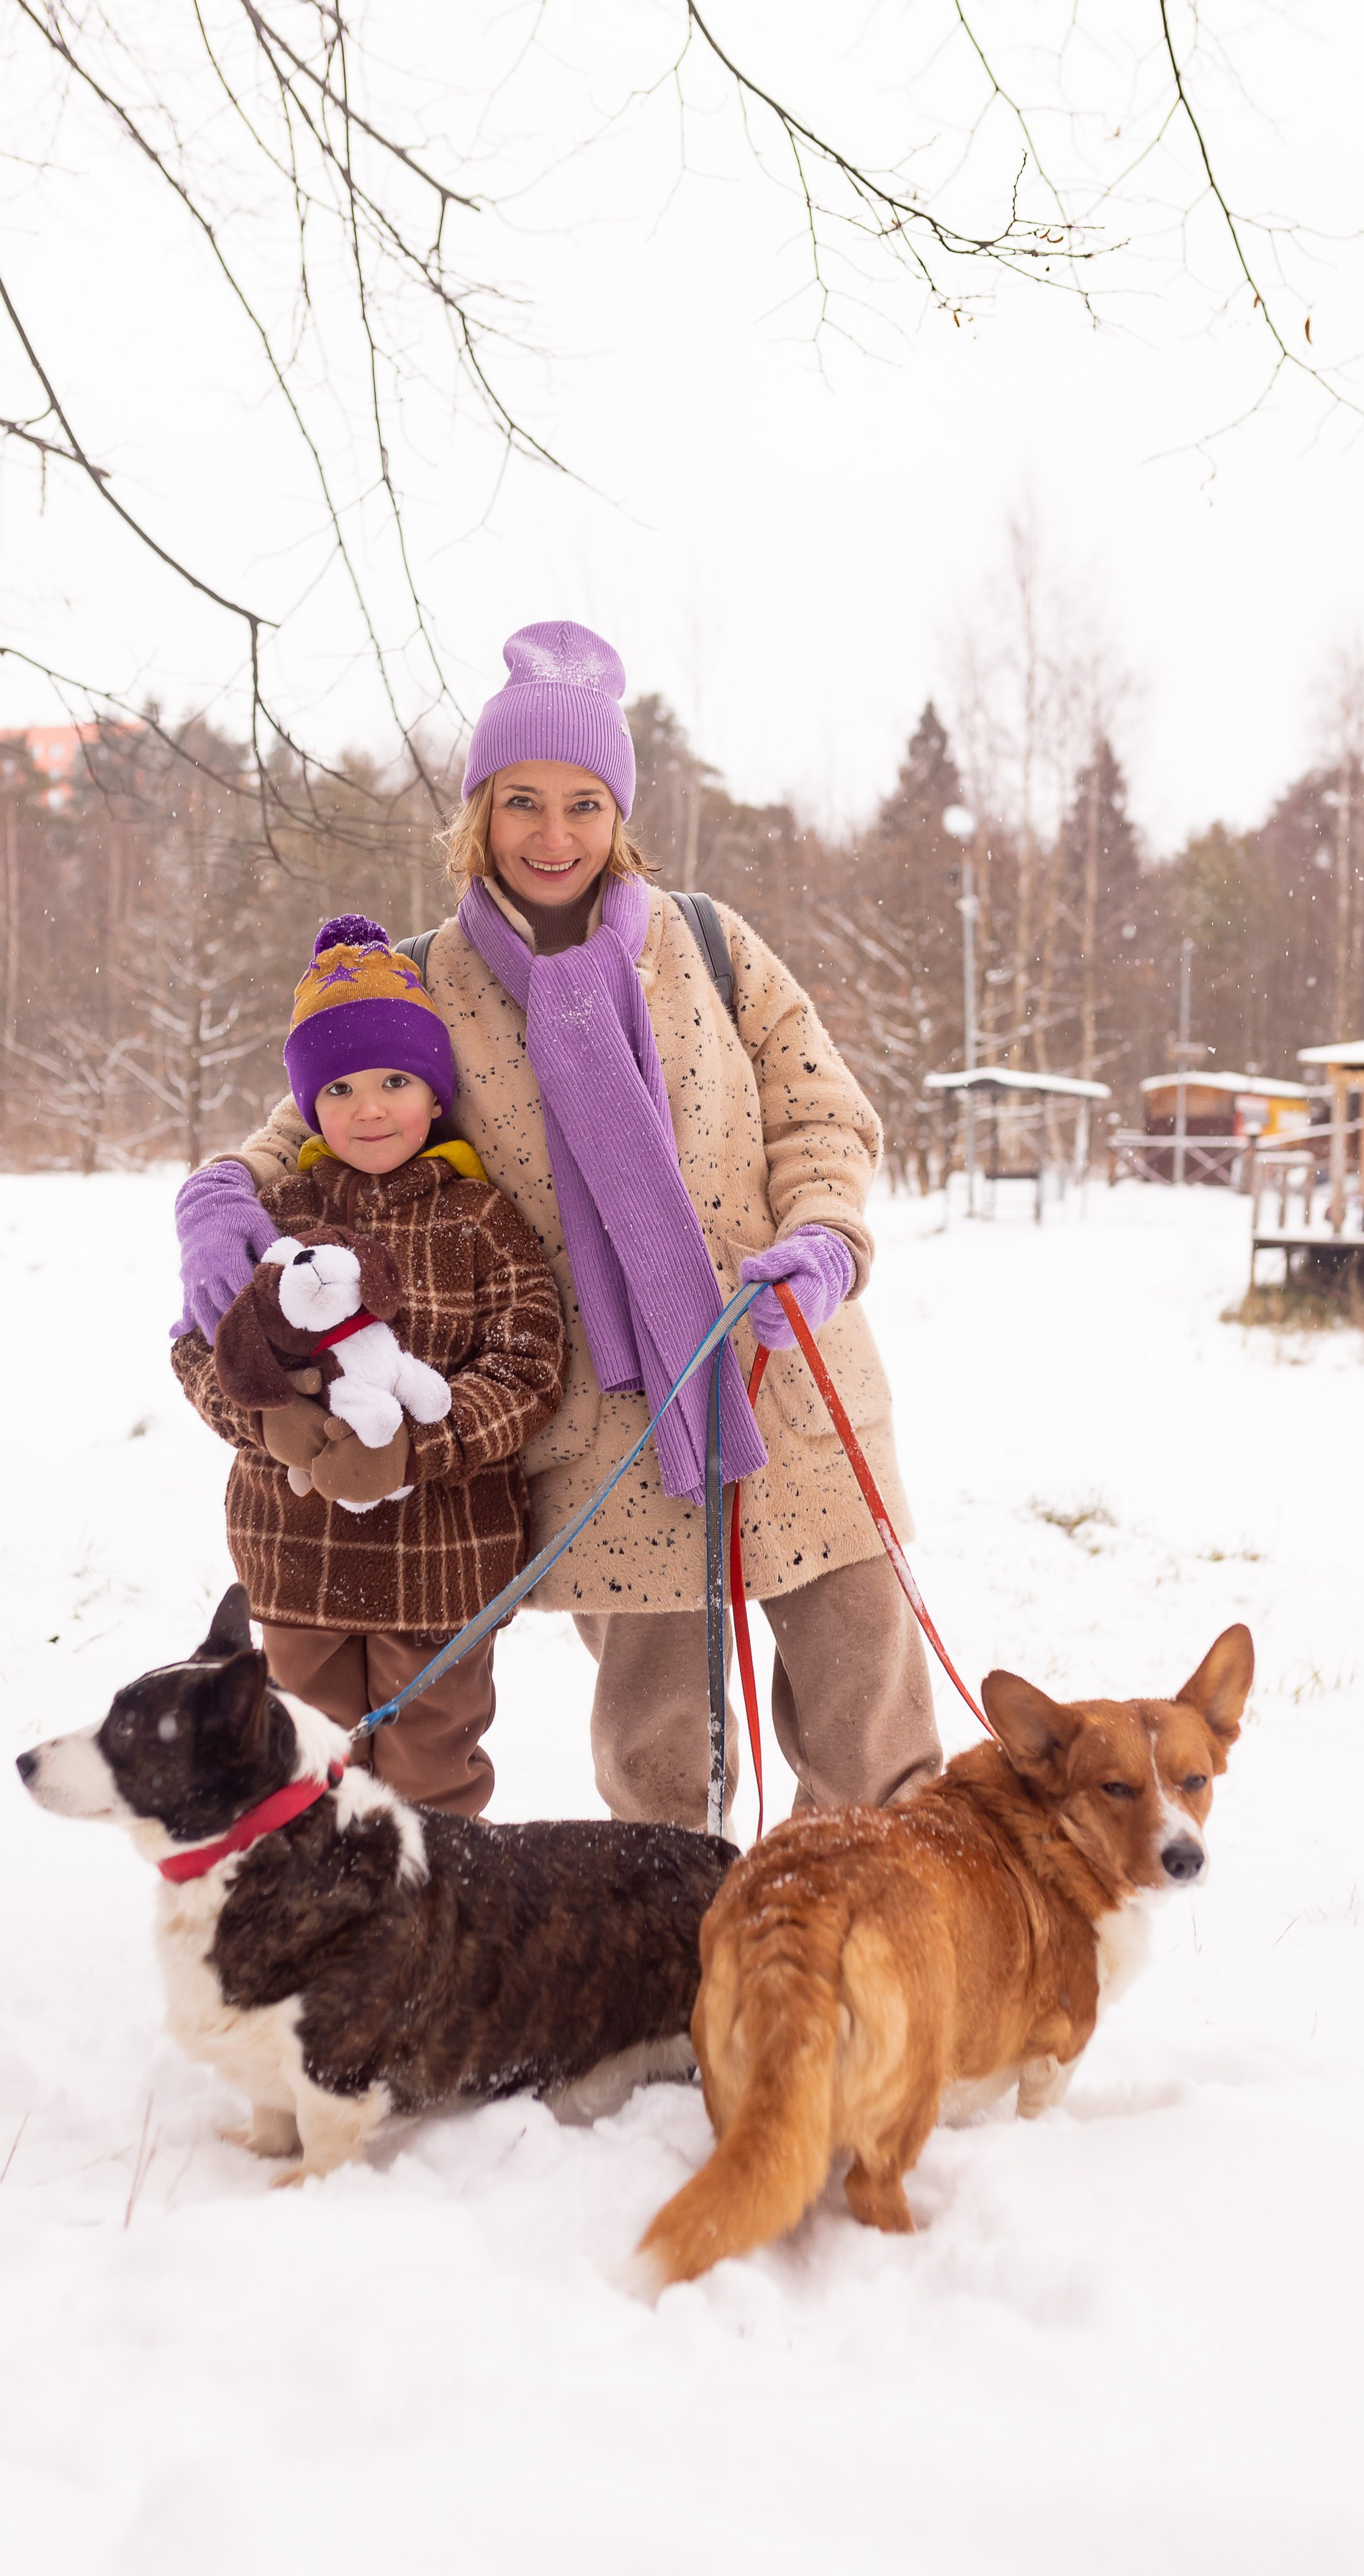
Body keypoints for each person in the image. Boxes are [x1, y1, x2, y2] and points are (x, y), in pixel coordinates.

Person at [173, 622, 941, 1829]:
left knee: (874, 1743)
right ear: (478, 813)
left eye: (584, 803)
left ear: (620, 813)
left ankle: (887, 1975)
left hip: (785, 1370)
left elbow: (817, 1113)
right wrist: (219, 1196)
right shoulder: (425, 980)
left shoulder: (708, 944)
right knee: (658, 1775)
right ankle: (680, 1993)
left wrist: (829, 1239)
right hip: (607, 1429)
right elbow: (311, 1118)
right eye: (522, 802)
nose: (553, 834)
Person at [171, 914, 567, 1817]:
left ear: (436, 1095)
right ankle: (316, 1937)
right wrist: (266, 1417)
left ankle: (435, 1938)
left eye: (396, 1080)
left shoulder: (481, 1219)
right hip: (296, 1556)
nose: (370, 1107)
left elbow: (529, 1366)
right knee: (307, 1775)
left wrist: (418, 1447)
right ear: (310, 1107)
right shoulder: (276, 1214)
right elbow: (198, 1345)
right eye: (340, 1088)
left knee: (430, 1776)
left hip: (443, 1564)